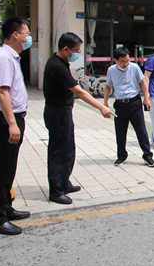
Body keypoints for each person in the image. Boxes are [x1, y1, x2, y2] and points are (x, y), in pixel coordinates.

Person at [43, 32, 116, 205]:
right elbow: (79, 91)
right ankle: (55, 190)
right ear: (66, 49)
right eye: (75, 50)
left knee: (68, 149)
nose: (77, 54)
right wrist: (101, 107)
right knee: (58, 152)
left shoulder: (62, 62)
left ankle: (63, 182)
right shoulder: (57, 66)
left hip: (65, 112)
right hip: (57, 113)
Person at [0, 16, 32, 235]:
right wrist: (12, 124)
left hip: (11, 118)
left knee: (9, 168)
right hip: (6, 120)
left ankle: (6, 208)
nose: (29, 37)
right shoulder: (3, 58)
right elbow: (2, 92)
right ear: (16, 35)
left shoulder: (12, 57)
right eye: (27, 33)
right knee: (3, 170)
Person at [104, 47, 154, 167]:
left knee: (141, 131)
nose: (126, 64)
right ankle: (121, 156)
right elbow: (108, 86)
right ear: (115, 60)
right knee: (120, 132)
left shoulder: (134, 67)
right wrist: (105, 103)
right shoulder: (111, 70)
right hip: (120, 104)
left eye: (127, 60)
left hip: (134, 104)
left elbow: (143, 82)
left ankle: (148, 156)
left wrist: (146, 98)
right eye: (122, 61)